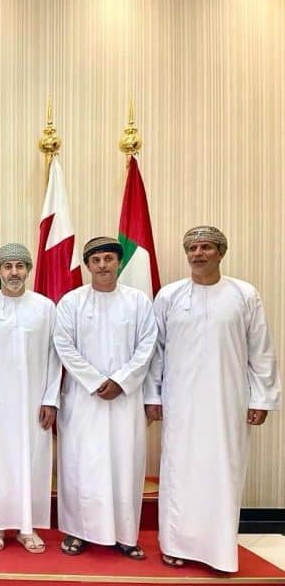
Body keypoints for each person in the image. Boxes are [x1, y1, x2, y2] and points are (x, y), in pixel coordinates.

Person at [148, 226, 280, 572]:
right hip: (180, 401)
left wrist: (262, 398)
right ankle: (174, 544)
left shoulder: (244, 294)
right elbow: (156, 352)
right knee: (179, 471)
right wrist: (152, 395)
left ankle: (219, 551)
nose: (198, 253)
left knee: (223, 471)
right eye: (192, 248)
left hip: (227, 401)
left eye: (206, 247)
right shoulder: (169, 296)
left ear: (221, 252)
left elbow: (261, 350)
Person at [53, 236, 157, 560]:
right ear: (88, 265)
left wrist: (120, 381)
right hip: (84, 399)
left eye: (108, 259)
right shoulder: (71, 302)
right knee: (81, 465)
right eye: (96, 260)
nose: (102, 266)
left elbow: (147, 345)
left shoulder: (138, 301)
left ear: (118, 262)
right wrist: (97, 381)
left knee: (125, 464)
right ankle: (78, 531)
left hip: (125, 399)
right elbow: (63, 344)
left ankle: (126, 535)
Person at [0, 243, 61, 554]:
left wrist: (51, 399)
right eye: (7, 266)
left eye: (20, 266)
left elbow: (55, 357)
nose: (14, 272)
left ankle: (27, 526)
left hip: (35, 402)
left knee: (32, 460)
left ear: (28, 270)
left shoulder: (45, 308)